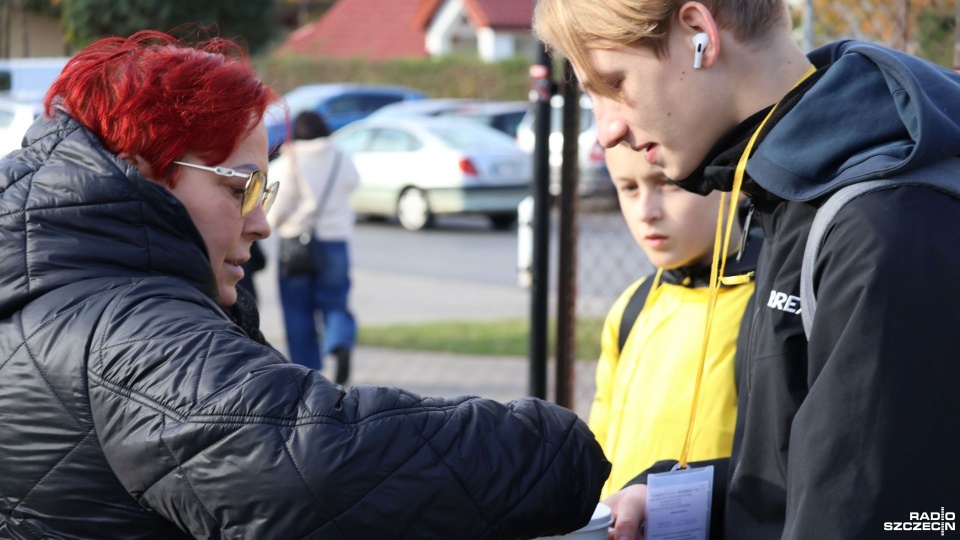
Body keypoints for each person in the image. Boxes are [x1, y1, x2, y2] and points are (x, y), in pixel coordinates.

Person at [0, 30, 609, 538]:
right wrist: (559, 450)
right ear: (141, 168)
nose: (260, 222)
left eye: (263, 191)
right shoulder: (127, 323)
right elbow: (310, 460)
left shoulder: (58, 293)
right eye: (239, 188)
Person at [533, 1, 960, 539]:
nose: (606, 131)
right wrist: (683, 502)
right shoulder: (796, 192)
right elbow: (816, 470)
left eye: (615, 84)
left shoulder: (880, 226)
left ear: (699, 34)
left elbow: (890, 518)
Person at [590, 143, 757, 503]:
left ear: (733, 185)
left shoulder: (767, 310)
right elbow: (599, 443)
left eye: (667, 183)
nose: (646, 212)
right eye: (629, 188)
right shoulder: (632, 305)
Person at [269, 111, 358, 385]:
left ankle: (307, 372)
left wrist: (272, 224)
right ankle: (340, 343)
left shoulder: (290, 159)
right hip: (335, 240)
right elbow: (354, 182)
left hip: (296, 241)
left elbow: (279, 201)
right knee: (336, 301)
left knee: (297, 309)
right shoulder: (340, 155)